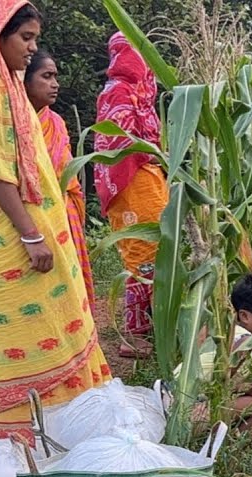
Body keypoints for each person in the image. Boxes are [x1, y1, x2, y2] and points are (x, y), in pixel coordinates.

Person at [0, 0, 111, 442]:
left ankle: (70, 429)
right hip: (13, 236)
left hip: (38, 232)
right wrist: (32, 234)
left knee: (57, 322)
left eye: (34, 38)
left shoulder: (7, 87)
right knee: (22, 332)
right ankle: (26, 440)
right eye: (26, 38)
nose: (32, 47)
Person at [94, 31, 166, 358]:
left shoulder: (139, 95)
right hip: (132, 180)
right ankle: (133, 335)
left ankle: (154, 325)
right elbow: (118, 144)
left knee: (158, 249)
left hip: (146, 179)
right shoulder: (119, 93)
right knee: (142, 253)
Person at [24, 49, 94, 309]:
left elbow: (67, 175)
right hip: (30, 217)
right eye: (47, 76)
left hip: (64, 214)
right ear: (25, 81)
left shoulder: (56, 122)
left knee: (66, 290)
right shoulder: (13, 124)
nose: (55, 84)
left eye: (56, 76)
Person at [177, 274, 252, 432]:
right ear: (244, 316)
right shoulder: (240, 342)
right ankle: (226, 450)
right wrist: (251, 389)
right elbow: (218, 383)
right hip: (187, 409)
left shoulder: (231, 334)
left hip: (186, 403)